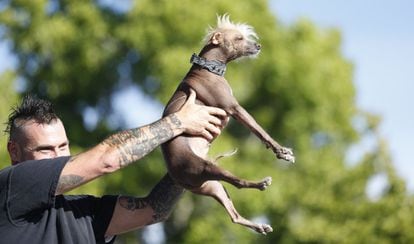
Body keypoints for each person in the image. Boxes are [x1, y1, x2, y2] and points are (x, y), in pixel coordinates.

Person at [0, 92, 227, 243]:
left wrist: (189, 160)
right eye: (45, 149)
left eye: (63, 146)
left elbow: (154, 209)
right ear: (14, 152)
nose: (58, 156)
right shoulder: (10, 187)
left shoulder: (82, 212)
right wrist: (179, 122)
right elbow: (106, 160)